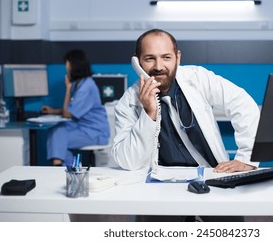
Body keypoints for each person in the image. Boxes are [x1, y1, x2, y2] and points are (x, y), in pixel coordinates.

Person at [112, 29, 260, 221]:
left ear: (177, 57)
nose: (159, 66)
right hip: (159, 189)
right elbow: (128, 161)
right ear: (137, 62)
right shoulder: (128, 102)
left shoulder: (198, 78)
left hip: (211, 176)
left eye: (166, 57)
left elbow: (243, 104)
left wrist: (246, 158)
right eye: (149, 59)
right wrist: (149, 114)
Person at [41, 49, 109, 166]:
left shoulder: (86, 87)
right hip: (82, 127)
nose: (66, 68)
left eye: (67, 64)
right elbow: (71, 109)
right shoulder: (80, 83)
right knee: (56, 131)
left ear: (73, 65)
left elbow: (67, 113)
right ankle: (69, 166)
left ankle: (60, 165)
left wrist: (67, 88)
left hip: (94, 132)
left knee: (58, 137)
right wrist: (53, 111)